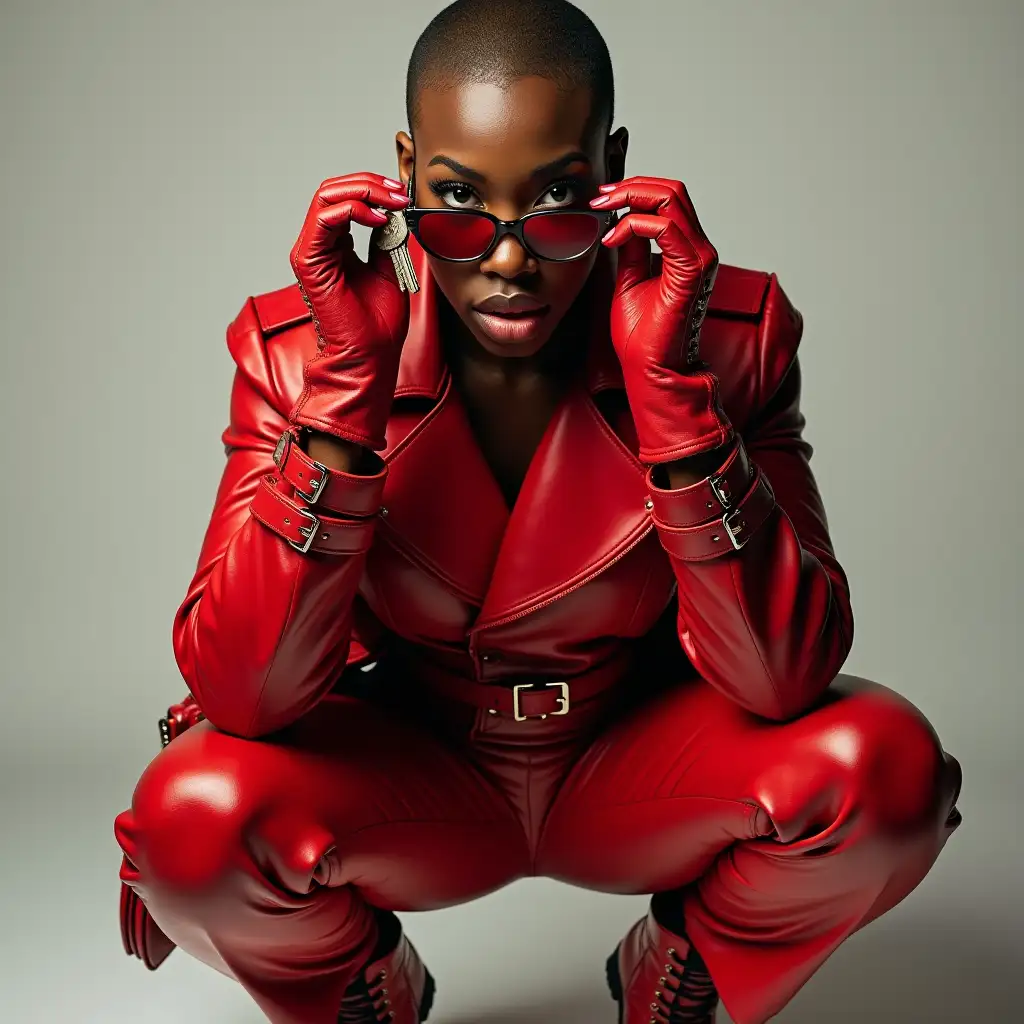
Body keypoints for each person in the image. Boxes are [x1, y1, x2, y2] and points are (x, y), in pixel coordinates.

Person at [114, 1, 963, 1022]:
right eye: (459, 201)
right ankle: (359, 987)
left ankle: (681, 969)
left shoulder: (730, 338)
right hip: (418, 777)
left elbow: (784, 676)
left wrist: (673, 394)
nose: (507, 260)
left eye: (559, 200)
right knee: (192, 814)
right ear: (403, 169)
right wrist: (346, 392)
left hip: (639, 766)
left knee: (885, 770)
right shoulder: (299, 353)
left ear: (615, 168)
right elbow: (243, 693)